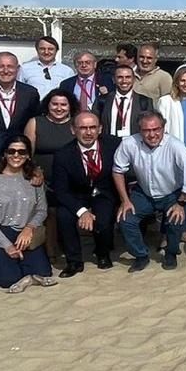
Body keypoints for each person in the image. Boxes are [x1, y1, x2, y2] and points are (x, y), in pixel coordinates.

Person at [112, 111, 186, 271]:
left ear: (163, 128)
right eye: (147, 130)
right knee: (125, 218)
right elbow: (118, 170)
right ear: (139, 130)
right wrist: (124, 200)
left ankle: (171, 253)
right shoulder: (129, 143)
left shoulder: (175, 145)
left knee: (176, 219)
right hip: (144, 192)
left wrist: (181, 203)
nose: (152, 134)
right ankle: (141, 255)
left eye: (156, 129)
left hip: (172, 193)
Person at [0, 138, 57, 292]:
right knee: (7, 279)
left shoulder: (34, 179)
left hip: (25, 233)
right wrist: (7, 245)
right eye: (11, 151)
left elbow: (41, 210)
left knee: (43, 272)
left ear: (28, 155)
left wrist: (29, 228)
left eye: (21, 152)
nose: (16, 155)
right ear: (4, 154)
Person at [48, 110, 120, 274]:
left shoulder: (114, 145)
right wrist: (82, 212)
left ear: (100, 129)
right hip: (75, 195)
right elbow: (61, 190)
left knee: (104, 218)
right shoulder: (63, 154)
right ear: (73, 130)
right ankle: (74, 262)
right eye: (83, 128)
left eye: (93, 127)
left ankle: (103, 254)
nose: (88, 132)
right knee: (64, 216)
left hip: (103, 193)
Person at [23, 89, 79, 197]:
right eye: (54, 104)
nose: (59, 108)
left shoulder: (77, 124)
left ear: (70, 106)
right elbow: (26, 154)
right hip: (40, 181)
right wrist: (33, 171)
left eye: (63, 105)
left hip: (70, 183)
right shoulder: (35, 122)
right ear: (47, 105)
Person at [103, 64, 155, 140]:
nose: (124, 81)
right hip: (109, 143)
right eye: (120, 77)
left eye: (128, 77)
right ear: (114, 79)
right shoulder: (103, 100)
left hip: (135, 143)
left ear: (133, 79)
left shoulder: (144, 101)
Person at [59, 51, 106, 116]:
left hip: (98, 119)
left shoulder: (106, 81)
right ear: (75, 65)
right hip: (74, 119)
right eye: (80, 63)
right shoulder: (66, 84)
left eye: (88, 62)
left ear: (95, 64)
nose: (84, 65)